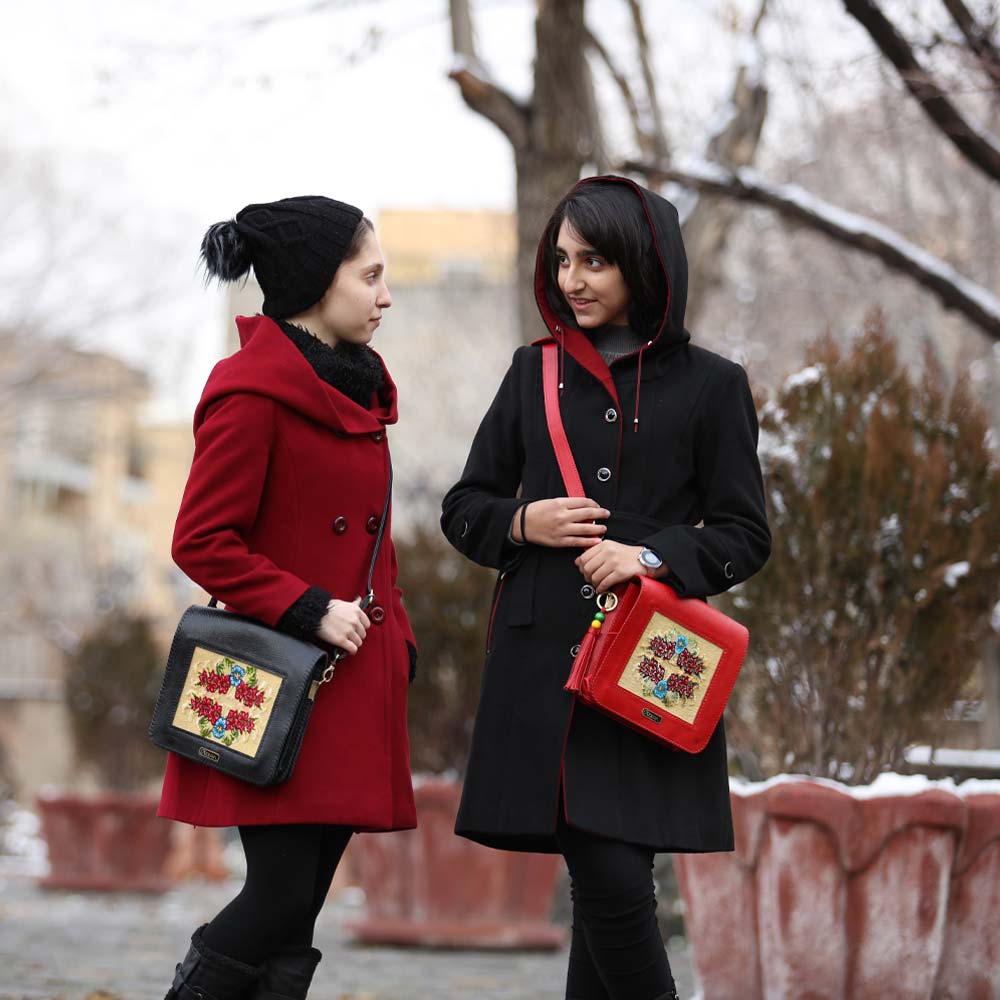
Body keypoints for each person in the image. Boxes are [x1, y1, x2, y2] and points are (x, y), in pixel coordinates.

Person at [440, 176, 771, 1000]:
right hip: (542, 673)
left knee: (614, 883)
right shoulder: (531, 374)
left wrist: (650, 557)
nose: (572, 279)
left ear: (645, 263)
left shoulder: (712, 385)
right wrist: (525, 524)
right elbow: (464, 508)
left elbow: (745, 535)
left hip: (648, 667)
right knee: (610, 878)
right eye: (561, 260)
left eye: (594, 260)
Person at [158, 196, 417, 1000]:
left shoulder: (360, 394)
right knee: (274, 898)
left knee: (301, 911)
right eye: (369, 277)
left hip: (351, 683)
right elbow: (201, 541)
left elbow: (374, 546)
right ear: (317, 280)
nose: (384, 296)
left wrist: (398, 646)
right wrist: (306, 607)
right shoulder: (252, 392)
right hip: (272, 678)